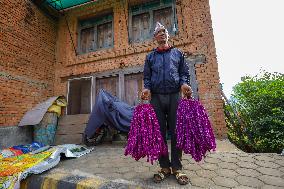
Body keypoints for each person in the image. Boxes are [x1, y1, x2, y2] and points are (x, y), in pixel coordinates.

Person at [141, 22, 192, 185]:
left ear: (168, 35)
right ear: (155, 38)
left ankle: (177, 168)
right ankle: (164, 167)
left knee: (177, 131)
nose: (162, 33)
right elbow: (147, 77)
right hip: (156, 97)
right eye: (159, 32)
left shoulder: (178, 54)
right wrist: (147, 88)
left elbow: (184, 73)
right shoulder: (150, 57)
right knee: (159, 133)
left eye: (165, 31)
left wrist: (184, 84)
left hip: (174, 96)